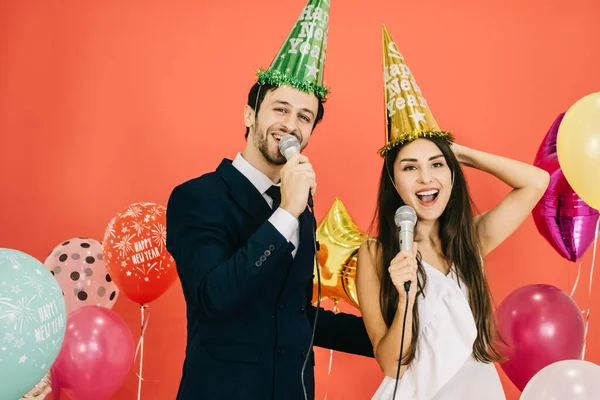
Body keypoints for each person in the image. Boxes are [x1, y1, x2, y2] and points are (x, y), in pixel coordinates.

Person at [165, 1, 373, 399]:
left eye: (304, 117)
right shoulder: (198, 197)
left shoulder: (299, 209)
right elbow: (214, 298)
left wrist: (387, 336)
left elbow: (292, 313)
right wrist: (287, 213)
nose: (290, 125)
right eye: (280, 108)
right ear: (249, 115)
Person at [355, 26, 550, 399]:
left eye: (436, 165)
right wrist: (406, 297)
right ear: (393, 182)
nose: (426, 178)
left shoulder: (469, 241)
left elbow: (536, 183)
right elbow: (390, 364)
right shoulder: (375, 254)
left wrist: (459, 154)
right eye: (410, 167)